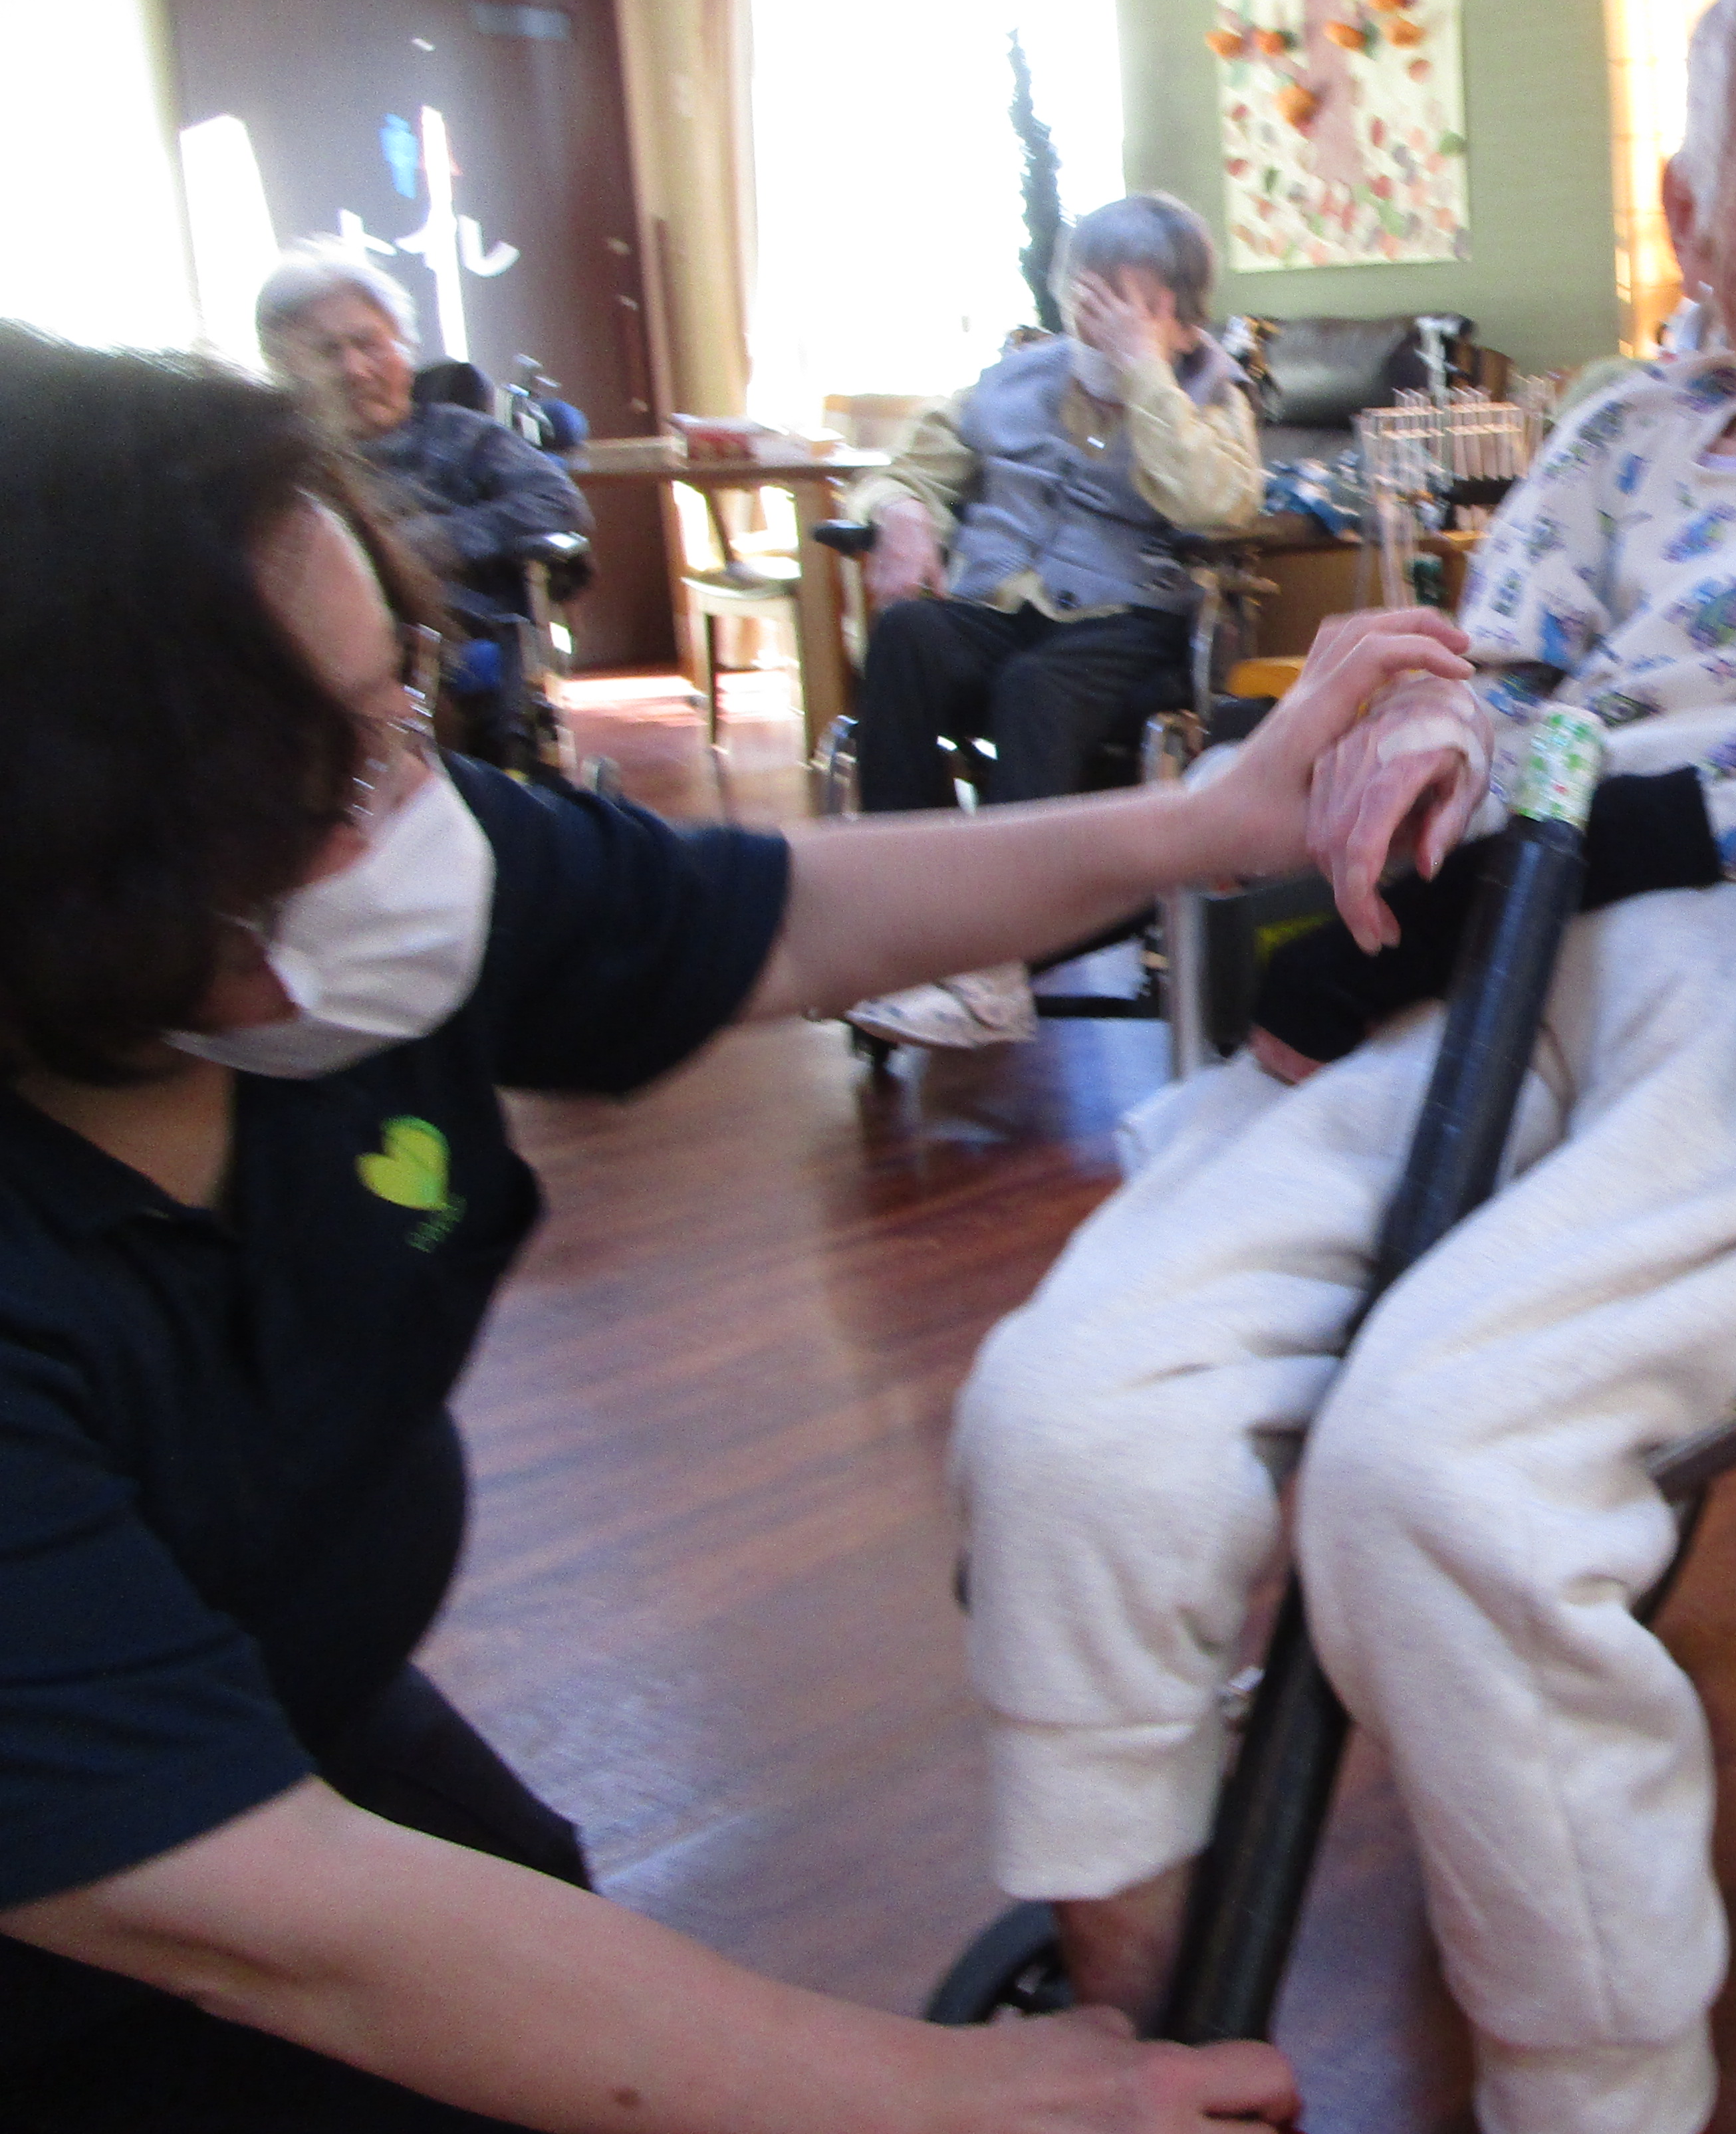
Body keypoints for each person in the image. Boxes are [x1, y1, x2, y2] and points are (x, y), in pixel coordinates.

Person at [947, 0, 1736, 2134]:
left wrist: (1564, 823)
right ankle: (1143, 2013)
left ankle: (1596, 2082)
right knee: (1063, 1408)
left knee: (1438, 1470)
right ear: (1693, 214)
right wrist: (1415, 760)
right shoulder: (1615, 430)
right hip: (1496, 955)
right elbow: (1487, 665)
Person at [0, 322, 1473, 2133]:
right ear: (88, 857)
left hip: (293, 1712)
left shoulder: (350, 923)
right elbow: (271, 1916)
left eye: (404, 707)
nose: (422, 801)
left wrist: (1202, 826)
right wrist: (945, 2102)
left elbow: (767, 916)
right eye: (337, 773)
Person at [840, 194, 1263, 1052]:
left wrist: (1145, 371)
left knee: (1037, 687)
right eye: (1090, 298)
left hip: (1129, 625)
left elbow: (1213, 503)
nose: (1101, 324)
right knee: (910, 636)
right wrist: (901, 513)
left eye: (1132, 306)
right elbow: (901, 474)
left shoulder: (1213, 395)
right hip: (1000, 606)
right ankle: (910, 929)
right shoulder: (1009, 382)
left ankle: (995, 967)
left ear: (1184, 321)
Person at [258, 256, 594, 759]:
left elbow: (558, 503)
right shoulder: (280, 464)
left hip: (448, 638)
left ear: (404, 348)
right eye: (327, 352)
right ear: (285, 370)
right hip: (315, 650)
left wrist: (424, 544)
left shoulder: (463, 435)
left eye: (369, 343)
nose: (355, 369)